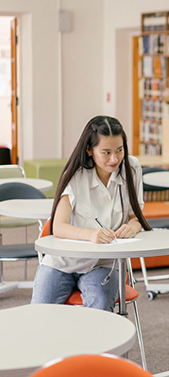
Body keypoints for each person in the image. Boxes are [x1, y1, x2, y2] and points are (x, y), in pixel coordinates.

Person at [31, 115, 151, 311]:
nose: (114, 159)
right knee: (39, 313)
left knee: (100, 310)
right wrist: (91, 235)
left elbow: (136, 216)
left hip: (104, 263)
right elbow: (58, 226)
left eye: (119, 150)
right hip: (63, 261)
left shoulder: (132, 168)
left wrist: (132, 227)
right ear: (89, 150)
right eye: (106, 152)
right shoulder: (76, 173)